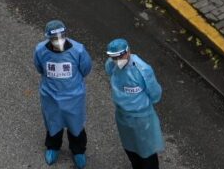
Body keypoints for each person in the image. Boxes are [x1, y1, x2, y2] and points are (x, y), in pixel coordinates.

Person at [34, 20, 92, 168]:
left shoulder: (78, 50)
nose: (58, 41)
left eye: (61, 37)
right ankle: (53, 147)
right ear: (48, 38)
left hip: (74, 96)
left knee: (76, 125)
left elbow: (86, 69)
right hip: (50, 96)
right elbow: (40, 68)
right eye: (54, 39)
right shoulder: (40, 50)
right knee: (53, 123)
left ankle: (78, 150)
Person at [105, 38, 164, 169]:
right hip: (122, 116)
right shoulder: (112, 63)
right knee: (130, 147)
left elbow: (155, 93)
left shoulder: (142, 70)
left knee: (147, 151)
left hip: (142, 119)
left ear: (128, 52)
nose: (117, 60)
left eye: (121, 56)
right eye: (114, 57)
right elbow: (109, 69)